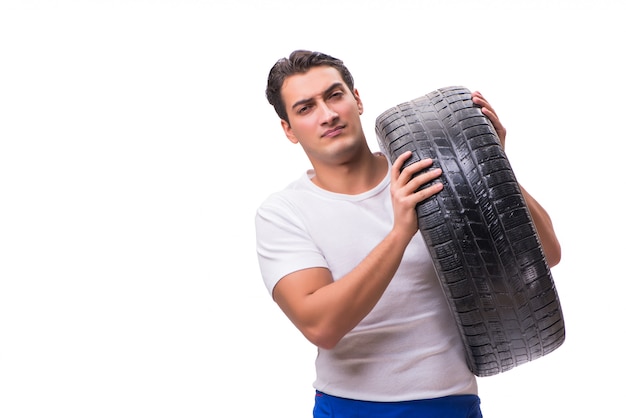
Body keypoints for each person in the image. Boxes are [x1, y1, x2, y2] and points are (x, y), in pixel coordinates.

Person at [255, 50, 561, 417]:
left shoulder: (431, 172)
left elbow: (547, 254)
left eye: (335, 95)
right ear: (288, 129)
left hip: (455, 403)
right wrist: (401, 232)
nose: (328, 114)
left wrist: (491, 167)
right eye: (306, 108)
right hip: (354, 408)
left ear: (357, 99)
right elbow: (321, 325)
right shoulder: (284, 213)